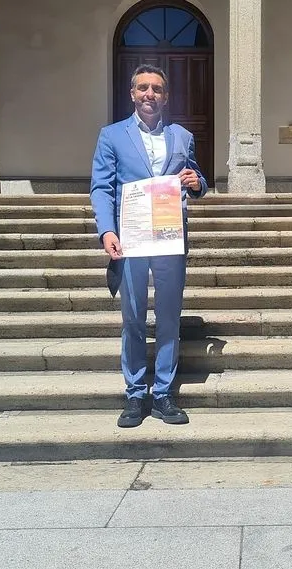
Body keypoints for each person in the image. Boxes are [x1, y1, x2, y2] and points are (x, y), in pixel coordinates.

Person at [90, 64, 208, 428]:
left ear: (166, 96)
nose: (149, 94)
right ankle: (135, 394)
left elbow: (197, 180)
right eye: (143, 88)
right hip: (132, 239)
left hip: (170, 238)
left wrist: (196, 181)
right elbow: (102, 187)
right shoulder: (112, 136)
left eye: (156, 89)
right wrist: (107, 231)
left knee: (169, 319)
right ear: (132, 94)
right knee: (134, 319)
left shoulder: (182, 136)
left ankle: (164, 394)